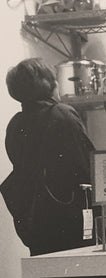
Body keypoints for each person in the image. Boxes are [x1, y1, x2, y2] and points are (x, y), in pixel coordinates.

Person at [1, 58, 95, 255]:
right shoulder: (62, 113)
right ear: (51, 85)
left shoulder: (15, 124)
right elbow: (87, 166)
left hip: (33, 222)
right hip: (69, 219)